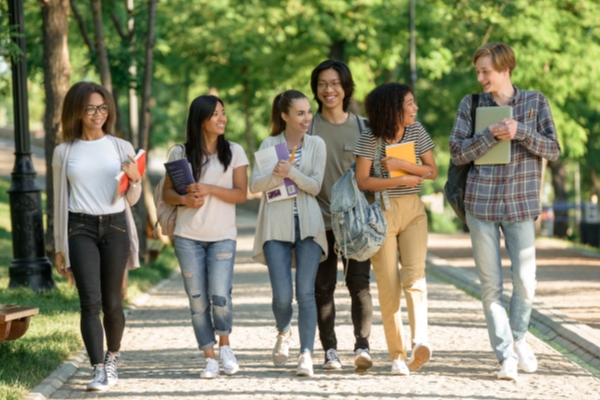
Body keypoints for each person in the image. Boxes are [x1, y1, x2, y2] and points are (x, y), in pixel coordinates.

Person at [449, 42, 561, 381]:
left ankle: (518, 337)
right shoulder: (471, 104)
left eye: (486, 71)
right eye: (478, 71)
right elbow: (456, 153)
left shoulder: (535, 102)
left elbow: (553, 150)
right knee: (490, 287)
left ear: (505, 69)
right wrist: (488, 136)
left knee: (526, 283)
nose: (480, 77)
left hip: (520, 205)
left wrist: (521, 132)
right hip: (480, 205)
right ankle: (505, 357)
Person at [52, 82, 142, 392]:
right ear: (76, 111)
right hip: (79, 228)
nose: (97, 113)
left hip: (115, 227)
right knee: (89, 303)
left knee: (112, 303)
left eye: (102, 107)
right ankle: (98, 369)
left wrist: (136, 179)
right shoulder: (64, 152)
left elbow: (132, 199)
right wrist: (59, 247)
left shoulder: (121, 147)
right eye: (90, 107)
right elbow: (58, 201)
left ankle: (113, 356)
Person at [162, 95, 248, 379]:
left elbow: (240, 194)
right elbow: (167, 194)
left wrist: (209, 188)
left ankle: (225, 346)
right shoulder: (180, 153)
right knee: (197, 300)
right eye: (215, 114)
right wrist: (185, 200)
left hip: (222, 235)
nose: (222, 118)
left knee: (220, 295)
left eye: (223, 113)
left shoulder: (234, 151)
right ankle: (209, 356)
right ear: (200, 120)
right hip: (188, 237)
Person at [354, 83, 437, 376]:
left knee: (415, 279)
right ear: (392, 109)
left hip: (413, 212)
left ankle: (419, 342)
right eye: (410, 104)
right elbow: (362, 181)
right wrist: (397, 180)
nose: (415, 109)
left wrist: (404, 165)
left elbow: (432, 171)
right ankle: (397, 355)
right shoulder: (369, 138)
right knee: (389, 287)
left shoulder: (416, 131)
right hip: (382, 215)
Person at [250, 90, 327, 377]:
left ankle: (306, 353)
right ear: (285, 116)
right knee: (282, 296)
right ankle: (284, 331)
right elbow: (255, 185)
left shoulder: (316, 144)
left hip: (308, 226)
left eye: (308, 112)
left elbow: (316, 186)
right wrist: (276, 175)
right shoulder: (270, 144)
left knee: (305, 293)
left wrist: (291, 173)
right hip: (276, 226)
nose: (307, 118)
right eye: (300, 113)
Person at [308, 59, 374, 372]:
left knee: (359, 284)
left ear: (345, 87)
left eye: (334, 83)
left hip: (355, 225)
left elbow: (375, 174)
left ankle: (362, 346)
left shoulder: (364, 128)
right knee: (323, 288)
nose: (328, 89)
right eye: (322, 84)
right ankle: (330, 350)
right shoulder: (307, 127)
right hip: (318, 222)